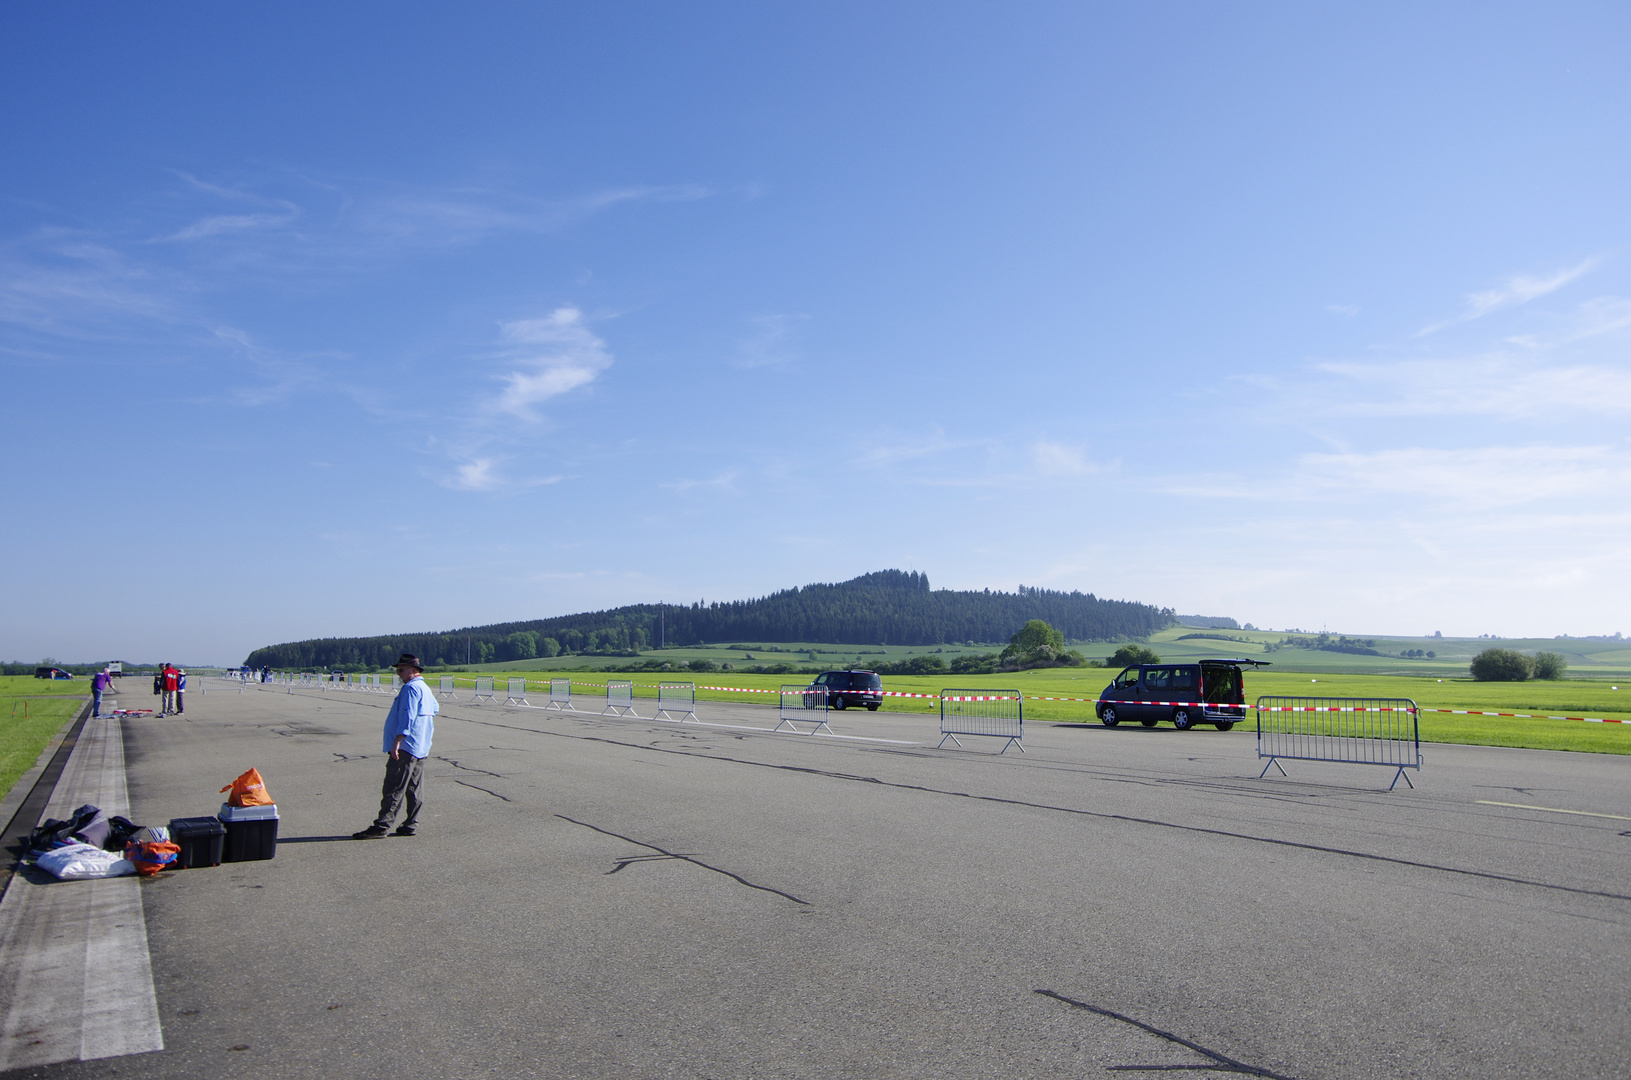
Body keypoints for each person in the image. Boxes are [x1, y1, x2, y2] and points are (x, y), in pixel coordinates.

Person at [353, 654, 438, 839]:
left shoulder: (410, 688)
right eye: (397, 670)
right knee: (414, 788)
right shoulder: (424, 688)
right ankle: (410, 824)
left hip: (406, 747)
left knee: (394, 787)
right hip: (420, 746)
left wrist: (397, 741)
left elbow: (407, 716)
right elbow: (435, 709)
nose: (398, 674)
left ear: (413, 671)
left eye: (401, 670)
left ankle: (382, 825)